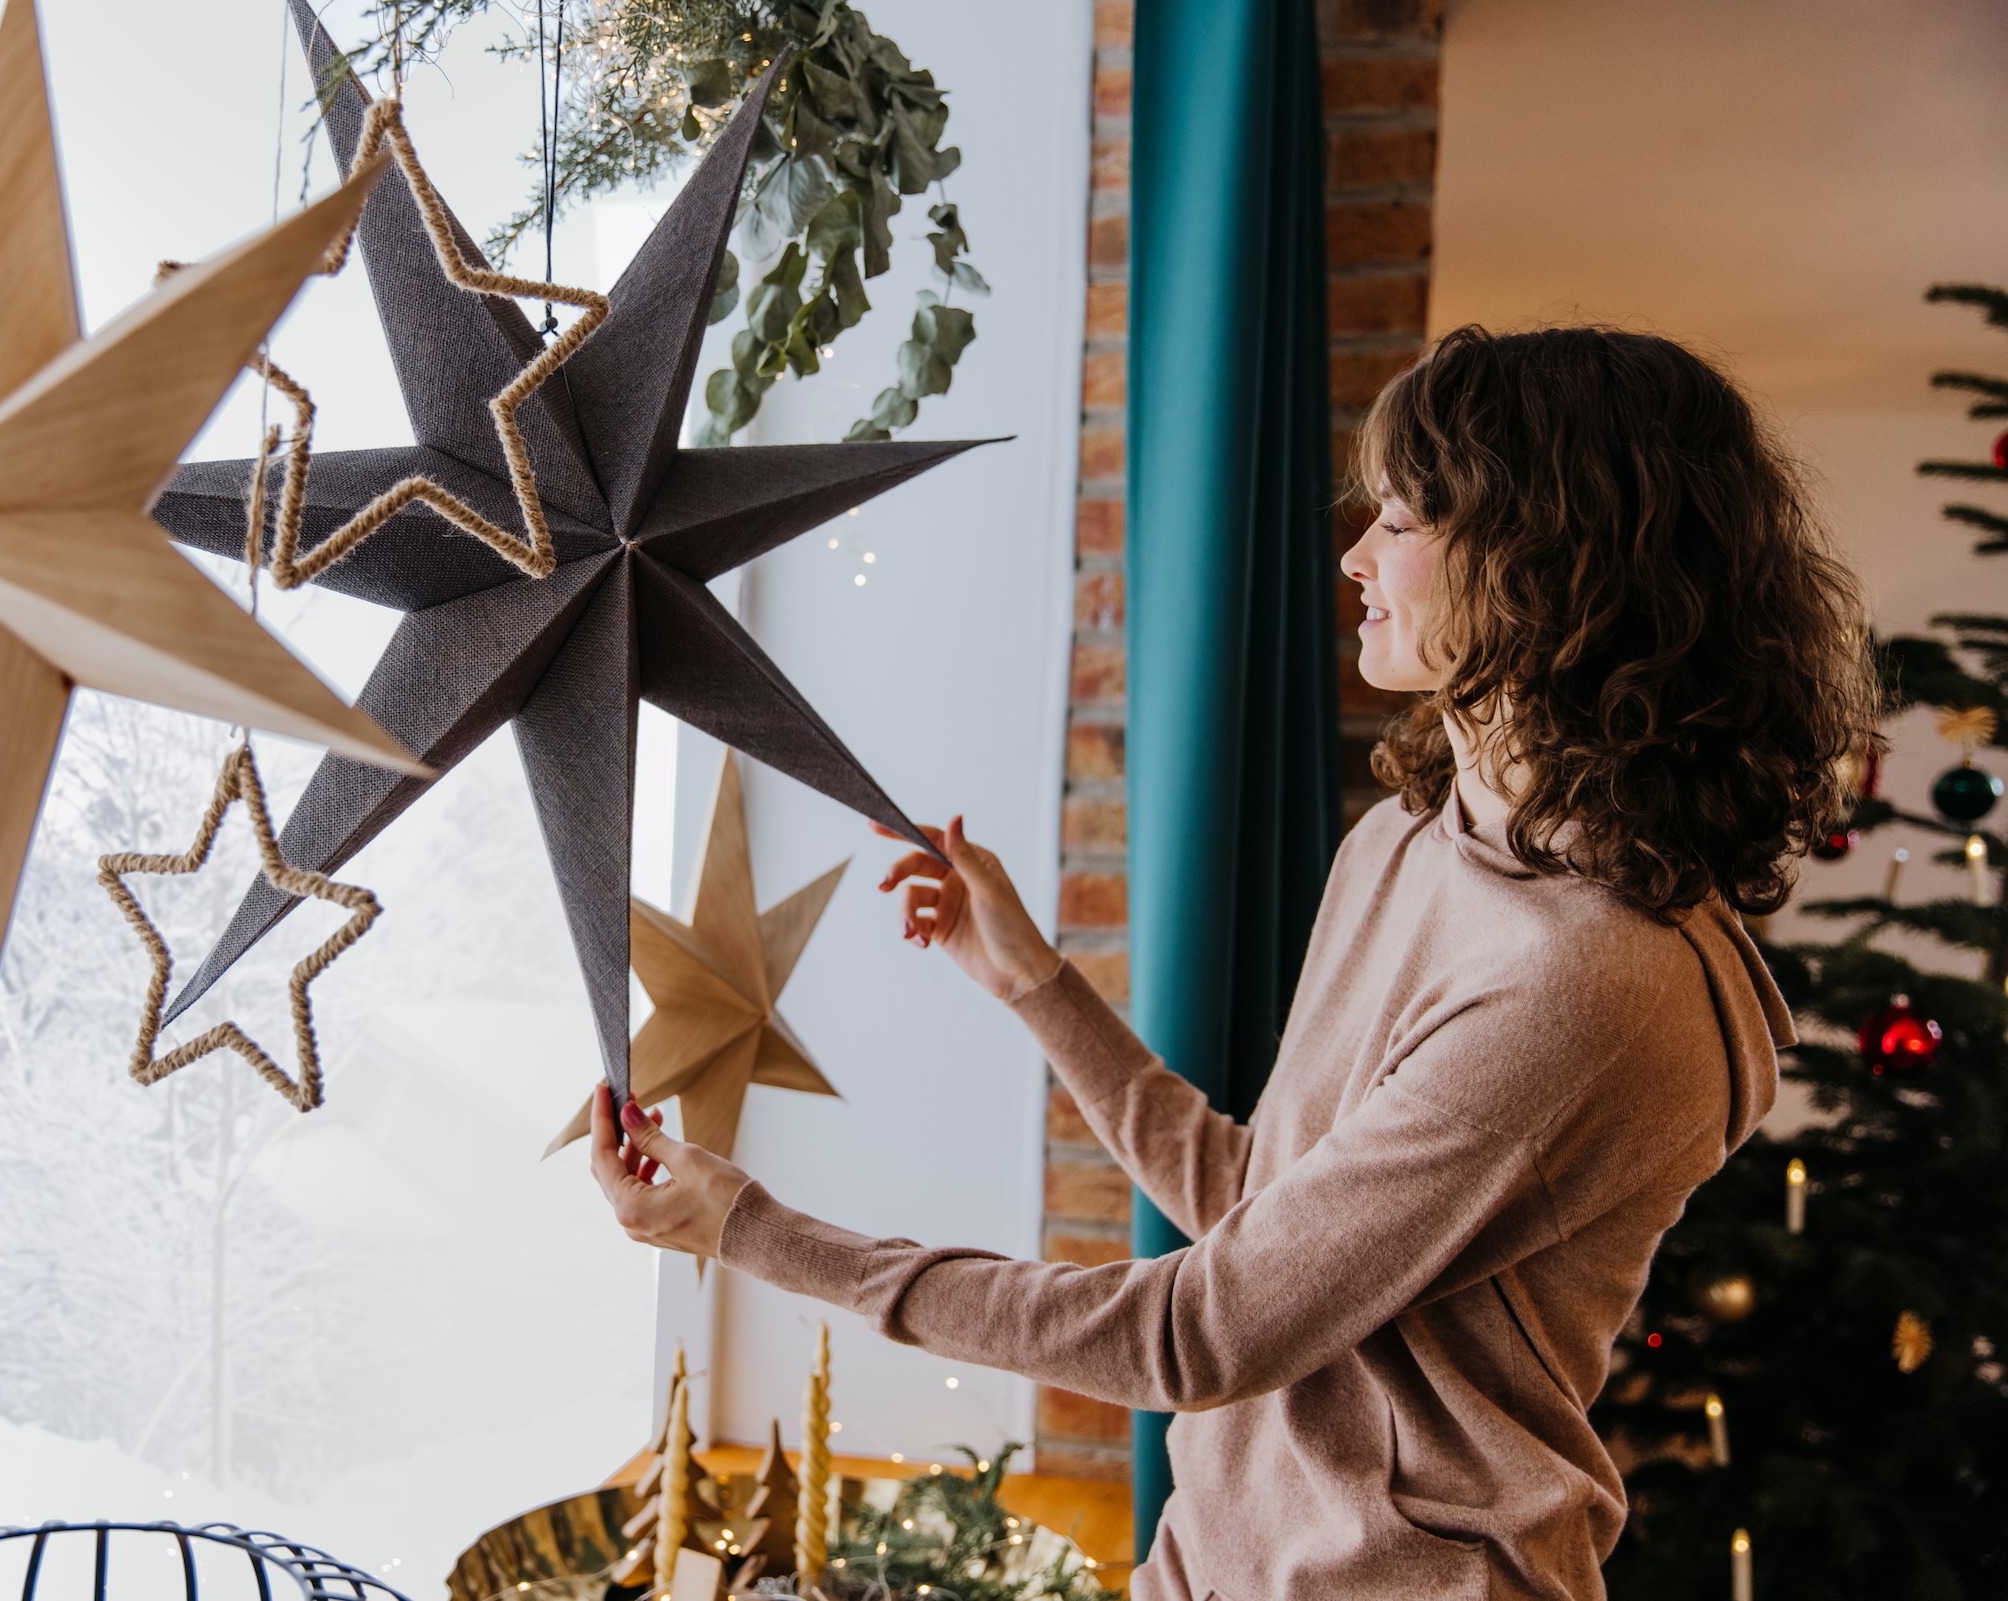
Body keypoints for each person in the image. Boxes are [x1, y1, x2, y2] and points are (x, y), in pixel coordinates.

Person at [585, 326, 1878, 1601]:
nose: (1357, 553)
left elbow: (1202, 1330)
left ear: (1550, 567)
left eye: (1405, 520)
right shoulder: (1409, 846)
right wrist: (1035, 981)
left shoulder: (1587, 984)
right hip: (1218, 1557)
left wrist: (753, 1228)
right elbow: (1255, 1202)